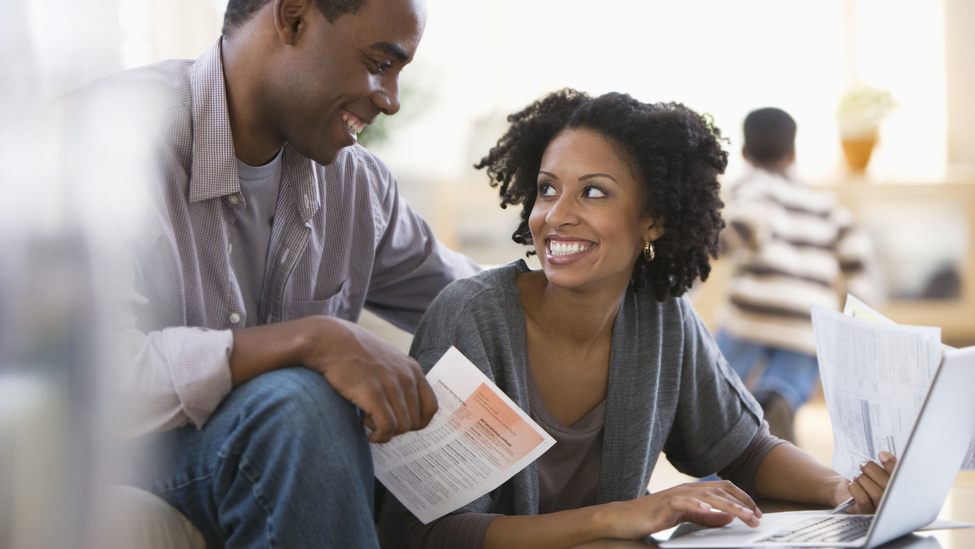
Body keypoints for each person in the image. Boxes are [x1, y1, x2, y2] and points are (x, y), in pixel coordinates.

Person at [377, 90, 894, 549]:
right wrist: (619, 517)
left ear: (654, 219)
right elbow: (428, 532)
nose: (556, 215)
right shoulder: (471, 319)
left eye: (593, 192)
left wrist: (842, 489)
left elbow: (746, 450)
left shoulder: (660, 314)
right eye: (548, 188)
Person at [81, 0, 479, 547]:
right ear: (293, 19)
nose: (390, 100)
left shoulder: (355, 185)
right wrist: (311, 340)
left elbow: (471, 297)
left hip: (269, 454)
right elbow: (93, 381)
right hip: (120, 453)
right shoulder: (108, 144)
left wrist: (603, 265)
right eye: (379, 63)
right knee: (298, 406)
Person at [716, 107, 876, 442]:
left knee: (718, 384)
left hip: (753, 310)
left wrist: (708, 250)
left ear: (745, 153)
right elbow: (855, 246)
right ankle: (779, 399)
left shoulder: (753, 185)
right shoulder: (824, 203)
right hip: (807, 318)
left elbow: (749, 222)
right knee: (792, 377)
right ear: (793, 153)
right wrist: (860, 311)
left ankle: (721, 430)